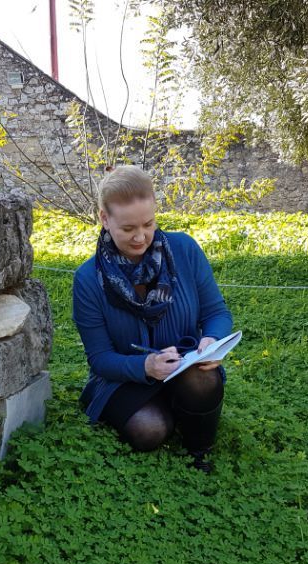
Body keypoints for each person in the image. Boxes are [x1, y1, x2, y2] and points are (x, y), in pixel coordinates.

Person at [72, 165, 233, 472]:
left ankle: (199, 450)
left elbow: (217, 313)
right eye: (128, 229)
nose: (141, 237)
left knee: (202, 378)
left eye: (148, 223)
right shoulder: (87, 279)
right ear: (104, 219)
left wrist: (211, 340)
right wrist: (145, 366)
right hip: (124, 378)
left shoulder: (185, 249)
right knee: (149, 430)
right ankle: (167, 411)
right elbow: (100, 358)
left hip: (185, 367)